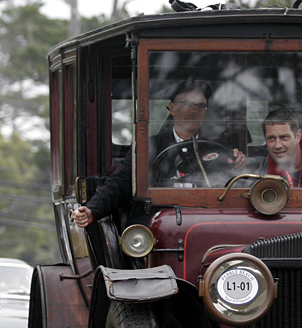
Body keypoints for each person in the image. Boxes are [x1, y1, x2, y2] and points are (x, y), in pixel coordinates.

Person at [72, 80, 244, 227]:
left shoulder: (218, 149)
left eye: (200, 106)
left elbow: (231, 187)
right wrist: (92, 210)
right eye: (187, 105)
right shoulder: (148, 147)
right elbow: (119, 183)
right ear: (172, 108)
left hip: (205, 222)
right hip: (156, 223)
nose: (194, 111)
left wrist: (238, 164)